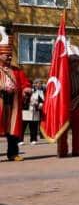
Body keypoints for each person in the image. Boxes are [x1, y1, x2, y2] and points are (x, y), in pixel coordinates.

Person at [0, 27, 31, 161]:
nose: (10, 57)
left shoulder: (17, 71)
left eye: (11, 55)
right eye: (7, 55)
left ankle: (13, 153)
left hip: (13, 104)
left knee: (12, 131)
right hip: (1, 102)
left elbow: (25, 83)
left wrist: (26, 89)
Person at [57, 44, 79, 158]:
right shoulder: (60, 77)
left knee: (78, 130)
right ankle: (62, 151)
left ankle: (76, 150)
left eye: (77, 61)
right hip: (63, 108)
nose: (75, 64)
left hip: (78, 108)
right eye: (72, 61)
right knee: (62, 131)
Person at [26, 80, 44, 145]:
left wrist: (40, 104)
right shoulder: (30, 91)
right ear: (35, 84)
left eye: (40, 83)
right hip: (29, 109)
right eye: (38, 83)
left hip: (37, 110)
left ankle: (33, 139)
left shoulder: (42, 91)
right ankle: (20, 140)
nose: (39, 85)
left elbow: (42, 99)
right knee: (27, 125)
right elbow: (26, 99)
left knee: (35, 124)